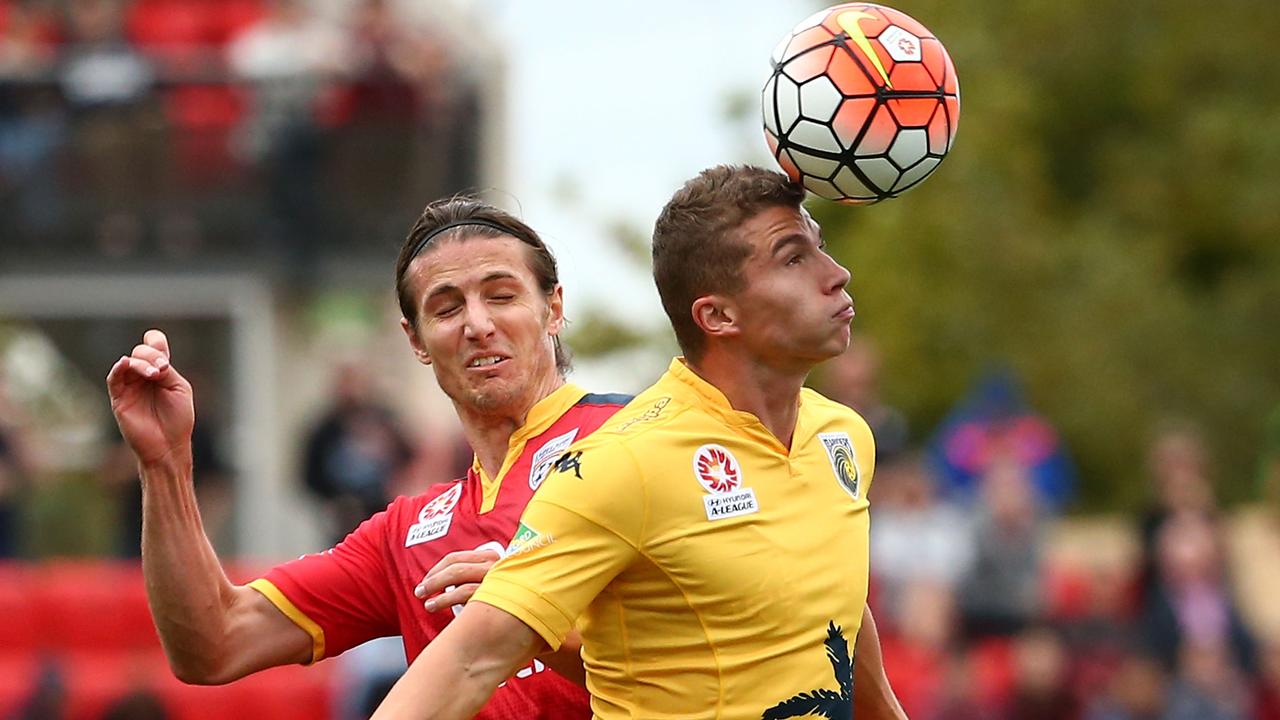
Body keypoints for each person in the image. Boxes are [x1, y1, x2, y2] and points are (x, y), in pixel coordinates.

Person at [373, 165, 907, 719]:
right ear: (717, 315)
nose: (837, 274)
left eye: (818, 249)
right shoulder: (622, 461)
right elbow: (469, 661)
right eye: (794, 258)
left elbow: (837, 620)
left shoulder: (843, 435)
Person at [105, 197, 634, 718]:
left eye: (500, 296)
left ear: (554, 309)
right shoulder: (409, 535)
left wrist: (529, 617)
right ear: (417, 340)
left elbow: (710, 656)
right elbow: (215, 643)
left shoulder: (637, 440)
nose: (477, 324)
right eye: (446, 308)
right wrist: (165, 464)